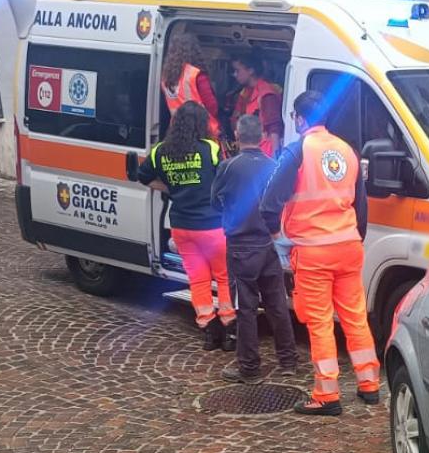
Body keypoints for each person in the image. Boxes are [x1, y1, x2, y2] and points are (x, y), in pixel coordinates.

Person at [260, 90, 380, 416]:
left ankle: (327, 394)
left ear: (299, 118)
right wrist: (356, 238)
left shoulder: (297, 152)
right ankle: (370, 385)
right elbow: (361, 205)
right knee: (355, 317)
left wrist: (272, 229)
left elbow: (271, 199)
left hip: (314, 250)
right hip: (349, 246)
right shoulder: (347, 151)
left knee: (320, 322)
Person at [139, 101, 234, 350]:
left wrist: (171, 188)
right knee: (224, 277)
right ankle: (228, 328)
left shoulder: (161, 151)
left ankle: (208, 328)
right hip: (212, 225)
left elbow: (143, 176)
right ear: (202, 124)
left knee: (198, 279)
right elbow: (223, 179)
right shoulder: (210, 149)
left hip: (181, 226)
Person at [211, 114, 298, 382]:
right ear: (261, 137)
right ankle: (288, 359)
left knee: (245, 307)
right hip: (267, 242)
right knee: (277, 303)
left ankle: (248, 367)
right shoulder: (274, 166)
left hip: (240, 245)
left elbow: (215, 201)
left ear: (237, 135)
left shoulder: (228, 167)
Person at [161, 32, 222, 141]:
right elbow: (212, 106)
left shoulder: (166, 77)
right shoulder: (196, 75)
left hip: (177, 131)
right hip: (203, 132)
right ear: (194, 51)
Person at [230, 53, 283, 157]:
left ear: (251, 70)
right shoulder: (244, 93)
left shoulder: (266, 94)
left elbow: (274, 129)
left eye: (238, 70)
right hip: (249, 150)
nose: (235, 75)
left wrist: (275, 157)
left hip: (263, 153)